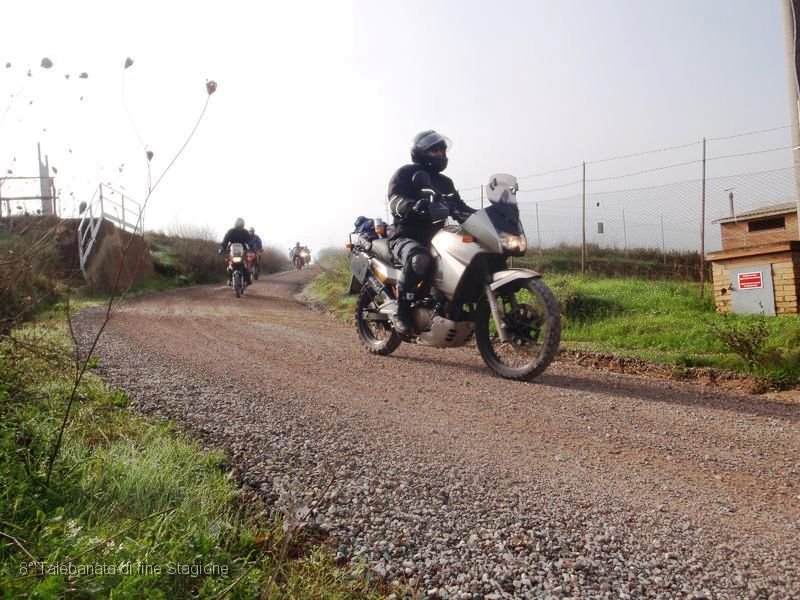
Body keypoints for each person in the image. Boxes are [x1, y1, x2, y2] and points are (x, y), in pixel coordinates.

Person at [387, 130, 476, 335]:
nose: (440, 154)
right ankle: (401, 311)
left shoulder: (445, 183)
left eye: (442, 150)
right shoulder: (406, 173)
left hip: (436, 238)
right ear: (420, 152)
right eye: (434, 150)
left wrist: (486, 215)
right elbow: (395, 200)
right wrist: (413, 206)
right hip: (405, 235)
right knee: (419, 258)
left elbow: (459, 207)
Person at [219, 217, 252, 284]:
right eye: (239, 223)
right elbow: (225, 240)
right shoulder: (231, 231)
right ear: (236, 223)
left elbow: (249, 241)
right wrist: (222, 247)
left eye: (241, 223)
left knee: (245, 265)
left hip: (243, 249)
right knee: (230, 265)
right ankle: (230, 279)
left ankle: (248, 279)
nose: (240, 225)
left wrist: (251, 248)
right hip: (232, 249)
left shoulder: (245, 232)